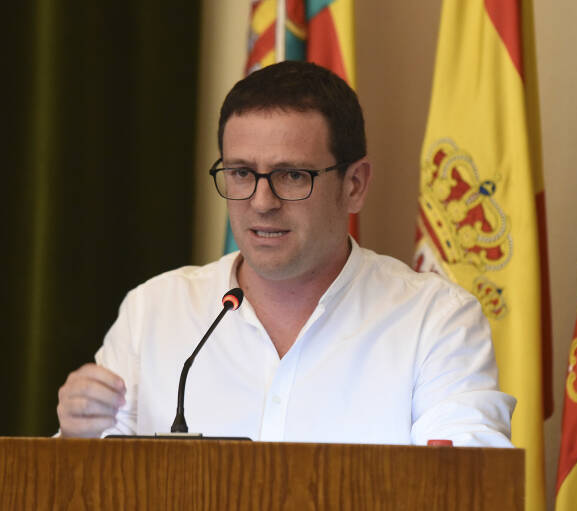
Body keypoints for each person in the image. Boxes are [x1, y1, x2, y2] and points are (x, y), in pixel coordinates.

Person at [56, 61, 515, 445]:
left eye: (292, 175)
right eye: (241, 172)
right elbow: (91, 486)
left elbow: (465, 481)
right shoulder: (154, 312)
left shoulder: (435, 321)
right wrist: (78, 438)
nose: (261, 202)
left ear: (354, 185)